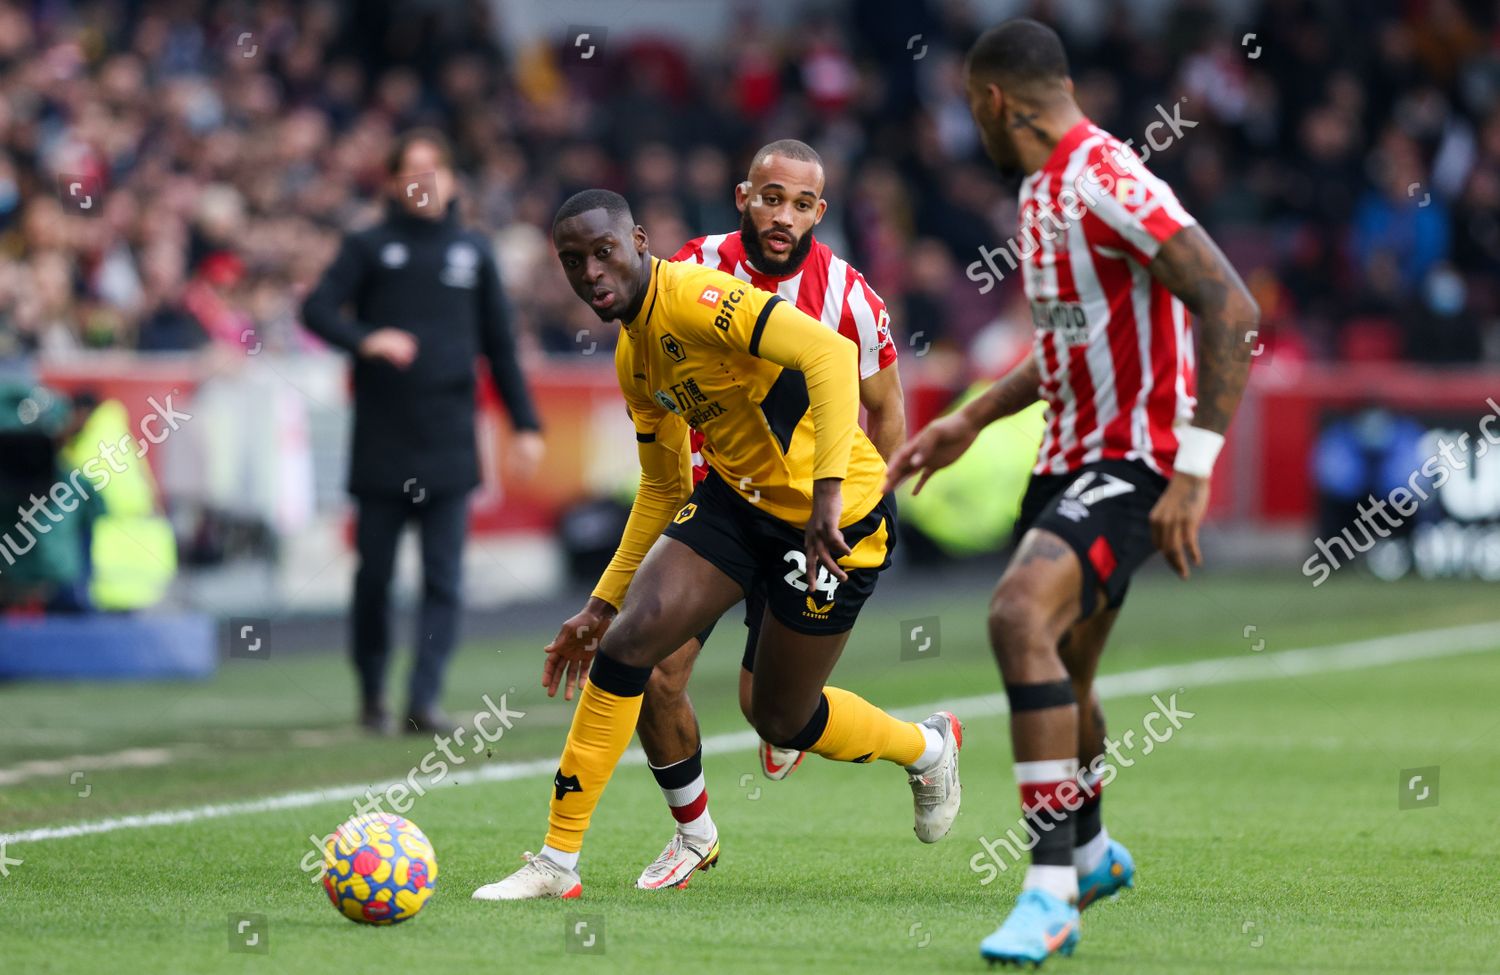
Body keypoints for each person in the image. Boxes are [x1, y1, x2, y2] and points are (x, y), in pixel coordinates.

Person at [885, 19, 1258, 966]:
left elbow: (1230, 305)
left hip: (1136, 458)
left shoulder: (1105, 177)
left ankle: (1049, 890)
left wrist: (1193, 470)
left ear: (992, 101)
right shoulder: (1039, 191)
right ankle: (1089, 850)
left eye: (970, 105)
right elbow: (1065, 348)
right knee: (1068, 676)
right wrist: (974, 418)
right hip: (1066, 454)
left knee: (1017, 616)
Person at [471, 189, 960, 901]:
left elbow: (826, 353)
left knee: (779, 716)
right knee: (630, 646)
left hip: (839, 518)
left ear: (638, 240)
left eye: (602, 251)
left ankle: (929, 747)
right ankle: (558, 860)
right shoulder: (635, 359)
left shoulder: (699, 296)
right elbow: (663, 491)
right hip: (738, 503)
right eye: (572, 262)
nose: (590, 272)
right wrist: (600, 604)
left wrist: (826, 492)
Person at [611, 138, 908, 890]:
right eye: (770, 197)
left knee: (770, 710)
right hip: (719, 503)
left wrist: (862, 509)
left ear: (820, 211)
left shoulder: (849, 297)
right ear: (744, 195)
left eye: (801, 203)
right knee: (649, 662)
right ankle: (693, 833)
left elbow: (887, 413)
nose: (783, 215)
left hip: (809, 517)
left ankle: (921, 745)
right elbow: (660, 352)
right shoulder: (694, 264)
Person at [302, 129, 543, 735]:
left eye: (434, 168)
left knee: (444, 579)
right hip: (382, 440)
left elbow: (500, 347)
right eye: (410, 170)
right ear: (390, 182)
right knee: (375, 578)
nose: (423, 180)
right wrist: (367, 338)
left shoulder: (473, 251)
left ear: (453, 181)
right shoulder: (367, 246)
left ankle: (423, 698)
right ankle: (372, 694)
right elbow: (316, 310)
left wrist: (526, 424)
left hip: (449, 441)